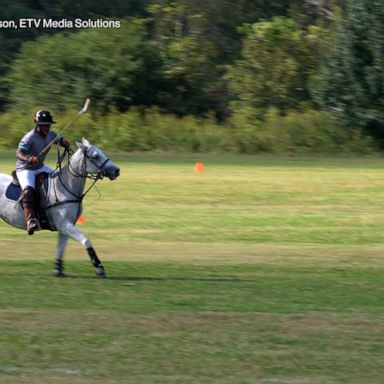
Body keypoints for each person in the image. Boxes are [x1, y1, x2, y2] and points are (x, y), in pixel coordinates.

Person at [16, 110, 70, 234]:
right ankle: (30, 221)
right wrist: (28, 158)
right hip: (25, 168)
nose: (47, 127)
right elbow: (18, 153)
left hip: (40, 167)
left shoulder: (51, 135)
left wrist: (64, 143)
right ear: (38, 124)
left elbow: (59, 140)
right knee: (29, 191)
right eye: (44, 125)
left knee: (60, 179)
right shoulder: (29, 137)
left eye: (48, 124)